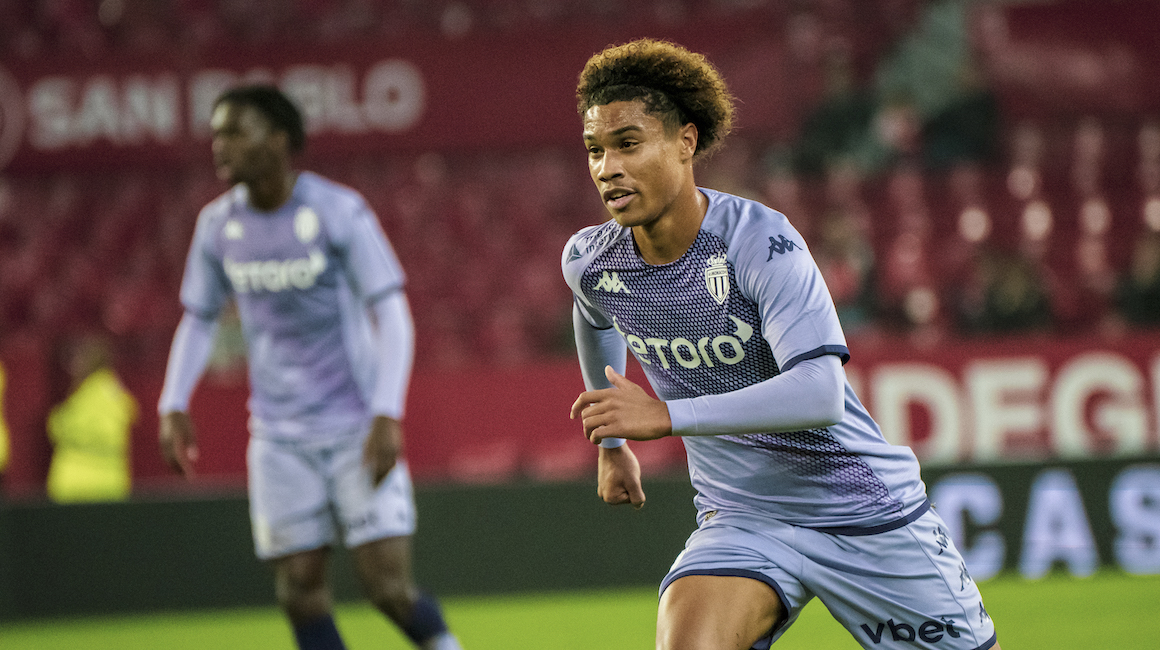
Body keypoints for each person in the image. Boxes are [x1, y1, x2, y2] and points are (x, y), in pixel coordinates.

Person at [564, 39, 1000, 650]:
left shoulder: (760, 243)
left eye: (628, 144)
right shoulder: (592, 260)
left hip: (862, 511)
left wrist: (666, 416)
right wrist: (612, 445)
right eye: (595, 149)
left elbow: (819, 393)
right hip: (743, 519)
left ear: (686, 141)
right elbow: (594, 316)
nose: (607, 167)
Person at [158, 85, 461, 650]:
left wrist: (386, 412)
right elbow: (198, 319)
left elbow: (392, 314)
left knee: (387, 588)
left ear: (278, 140)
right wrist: (173, 401)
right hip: (277, 437)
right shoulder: (216, 226)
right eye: (216, 133)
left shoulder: (337, 211)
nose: (219, 144)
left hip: (355, 428)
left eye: (235, 132)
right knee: (298, 588)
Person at [46, 335, 137, 502]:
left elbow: (103, 433)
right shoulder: (99, 390)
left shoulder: (99, 392)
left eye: (78, 357)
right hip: (102, 481)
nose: (73, 364)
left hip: (86, 483)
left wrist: (58, 422)